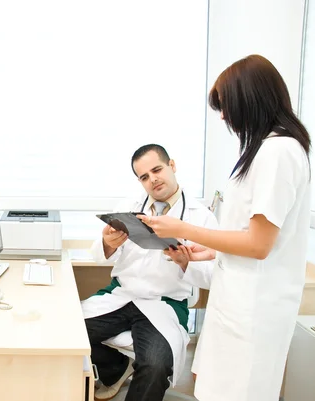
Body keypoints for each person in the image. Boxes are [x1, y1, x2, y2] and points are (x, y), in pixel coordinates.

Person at [139, 55, 312, 401]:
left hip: (255, 308)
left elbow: (260, 245)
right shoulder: (266, 150)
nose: (223, 116)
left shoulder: (278, 153)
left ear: (250, 99)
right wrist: (214, 250)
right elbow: (257, 236)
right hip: (238, 299)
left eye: (226, 106)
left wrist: (183, 227)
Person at [82, 144, 218, 401]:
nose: (152, 179)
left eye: (157, 170)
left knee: (155, 366)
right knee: (68, 335)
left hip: (164, 304)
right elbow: (97, 253)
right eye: (144, 176)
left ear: (172, 166)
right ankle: (115, 369)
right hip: (122, 295)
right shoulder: (129, 207)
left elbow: (214, 275)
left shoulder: (201, 218)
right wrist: (108, 244)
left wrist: (184, 262)